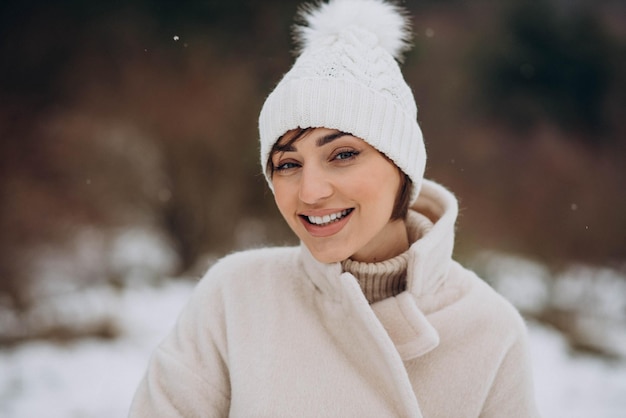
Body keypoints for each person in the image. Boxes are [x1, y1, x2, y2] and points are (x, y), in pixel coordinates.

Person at [129, 0, 540, 416]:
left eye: (342, 155)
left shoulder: (489, 330)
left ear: (402, 166)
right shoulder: (234, 298)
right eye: (288, 164)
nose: (310, 192)